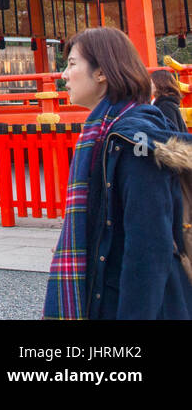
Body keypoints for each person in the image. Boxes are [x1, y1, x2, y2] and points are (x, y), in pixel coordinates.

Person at [45, 27, 192, 319]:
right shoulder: (103, 133)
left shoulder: (133, 137)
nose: (63, 74)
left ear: (102, 73)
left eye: (72, 64)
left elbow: (149, 247)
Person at [152, 68, 188, 133]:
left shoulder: (165, 105)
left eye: (151, 82)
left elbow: (171, 133)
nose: (149, 85)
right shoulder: (167, 103)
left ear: (159, 84)